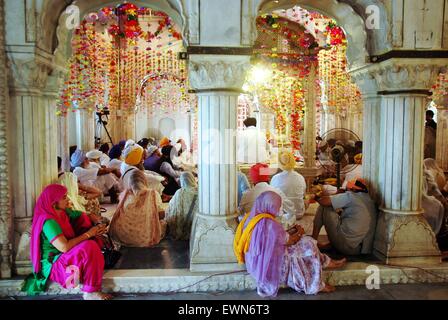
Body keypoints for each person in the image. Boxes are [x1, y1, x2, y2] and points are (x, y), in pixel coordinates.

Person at [234, 191, 346, 298]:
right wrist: (300, 232)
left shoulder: (251, 217)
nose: (279, 209)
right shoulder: (269, 223)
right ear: (269, 205)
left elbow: (276, 238)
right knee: (308, 243)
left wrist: (293, 231)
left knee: (306, 241)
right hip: (270, 263)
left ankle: (327, 262)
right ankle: (314, 284)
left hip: (257, 261)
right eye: (277, 205)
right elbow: (290, 241)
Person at [22, 184, 112, 300]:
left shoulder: (63, 212)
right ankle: (91, 292)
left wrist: (94, 221)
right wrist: (89, 233)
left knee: (85, 224)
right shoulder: (49, 221)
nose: (68, 199)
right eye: (64, 197)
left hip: (65, 256)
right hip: (55, 264)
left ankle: (89, 273)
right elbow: (64, 247)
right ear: (54, 203)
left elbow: (82, 216)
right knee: (89, 246)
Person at [311, 178, 377, 255]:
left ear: (352, 189)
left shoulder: (351, 196)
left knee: (324, 207)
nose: (346, 191)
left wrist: (314, 196)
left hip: (347, 247)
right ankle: (329, 245)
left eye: (347, 189)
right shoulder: (369, 199)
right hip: (361, 249)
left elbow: (324, 202)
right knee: (335, 212)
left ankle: (312, 242)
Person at [109, 170, 166, 247]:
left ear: (130, 182)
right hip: (144, 234)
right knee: (163, 223)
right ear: (144, 180)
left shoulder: (125, 194)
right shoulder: (152, 194)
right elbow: (160, 215)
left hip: (124, 234)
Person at [239, 163, 296, 229]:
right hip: (274, 230)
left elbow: (240, 213)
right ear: (267, 177)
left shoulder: (246, 195)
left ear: (252, 179)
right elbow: (291, 210)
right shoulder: (277, 192)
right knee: (291, 216)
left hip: (253, 230)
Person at [270, 150, 307, 219]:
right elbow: (303, 195)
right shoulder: (300, 177)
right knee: (307, 199)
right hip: (298, 214)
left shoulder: (274, 178)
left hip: (282, 215)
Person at [165, 172, 199, 240]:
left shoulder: (180, 192)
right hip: (197, 226)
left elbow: (171, 209)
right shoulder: (200, 191)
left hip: (182, 226)